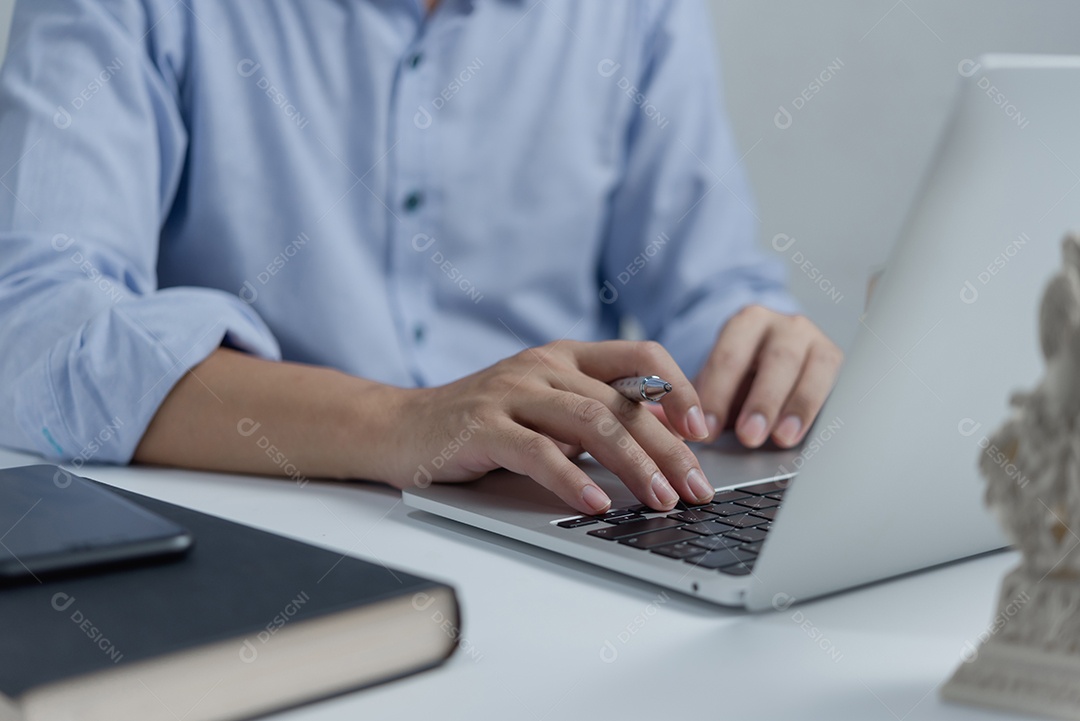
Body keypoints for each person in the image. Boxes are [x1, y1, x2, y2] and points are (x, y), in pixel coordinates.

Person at [0, 0, 842, 516]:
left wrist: (758, 349)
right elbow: (35, 337)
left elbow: (702, 288)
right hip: (275, 524)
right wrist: (406, 421)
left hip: (573, 516)